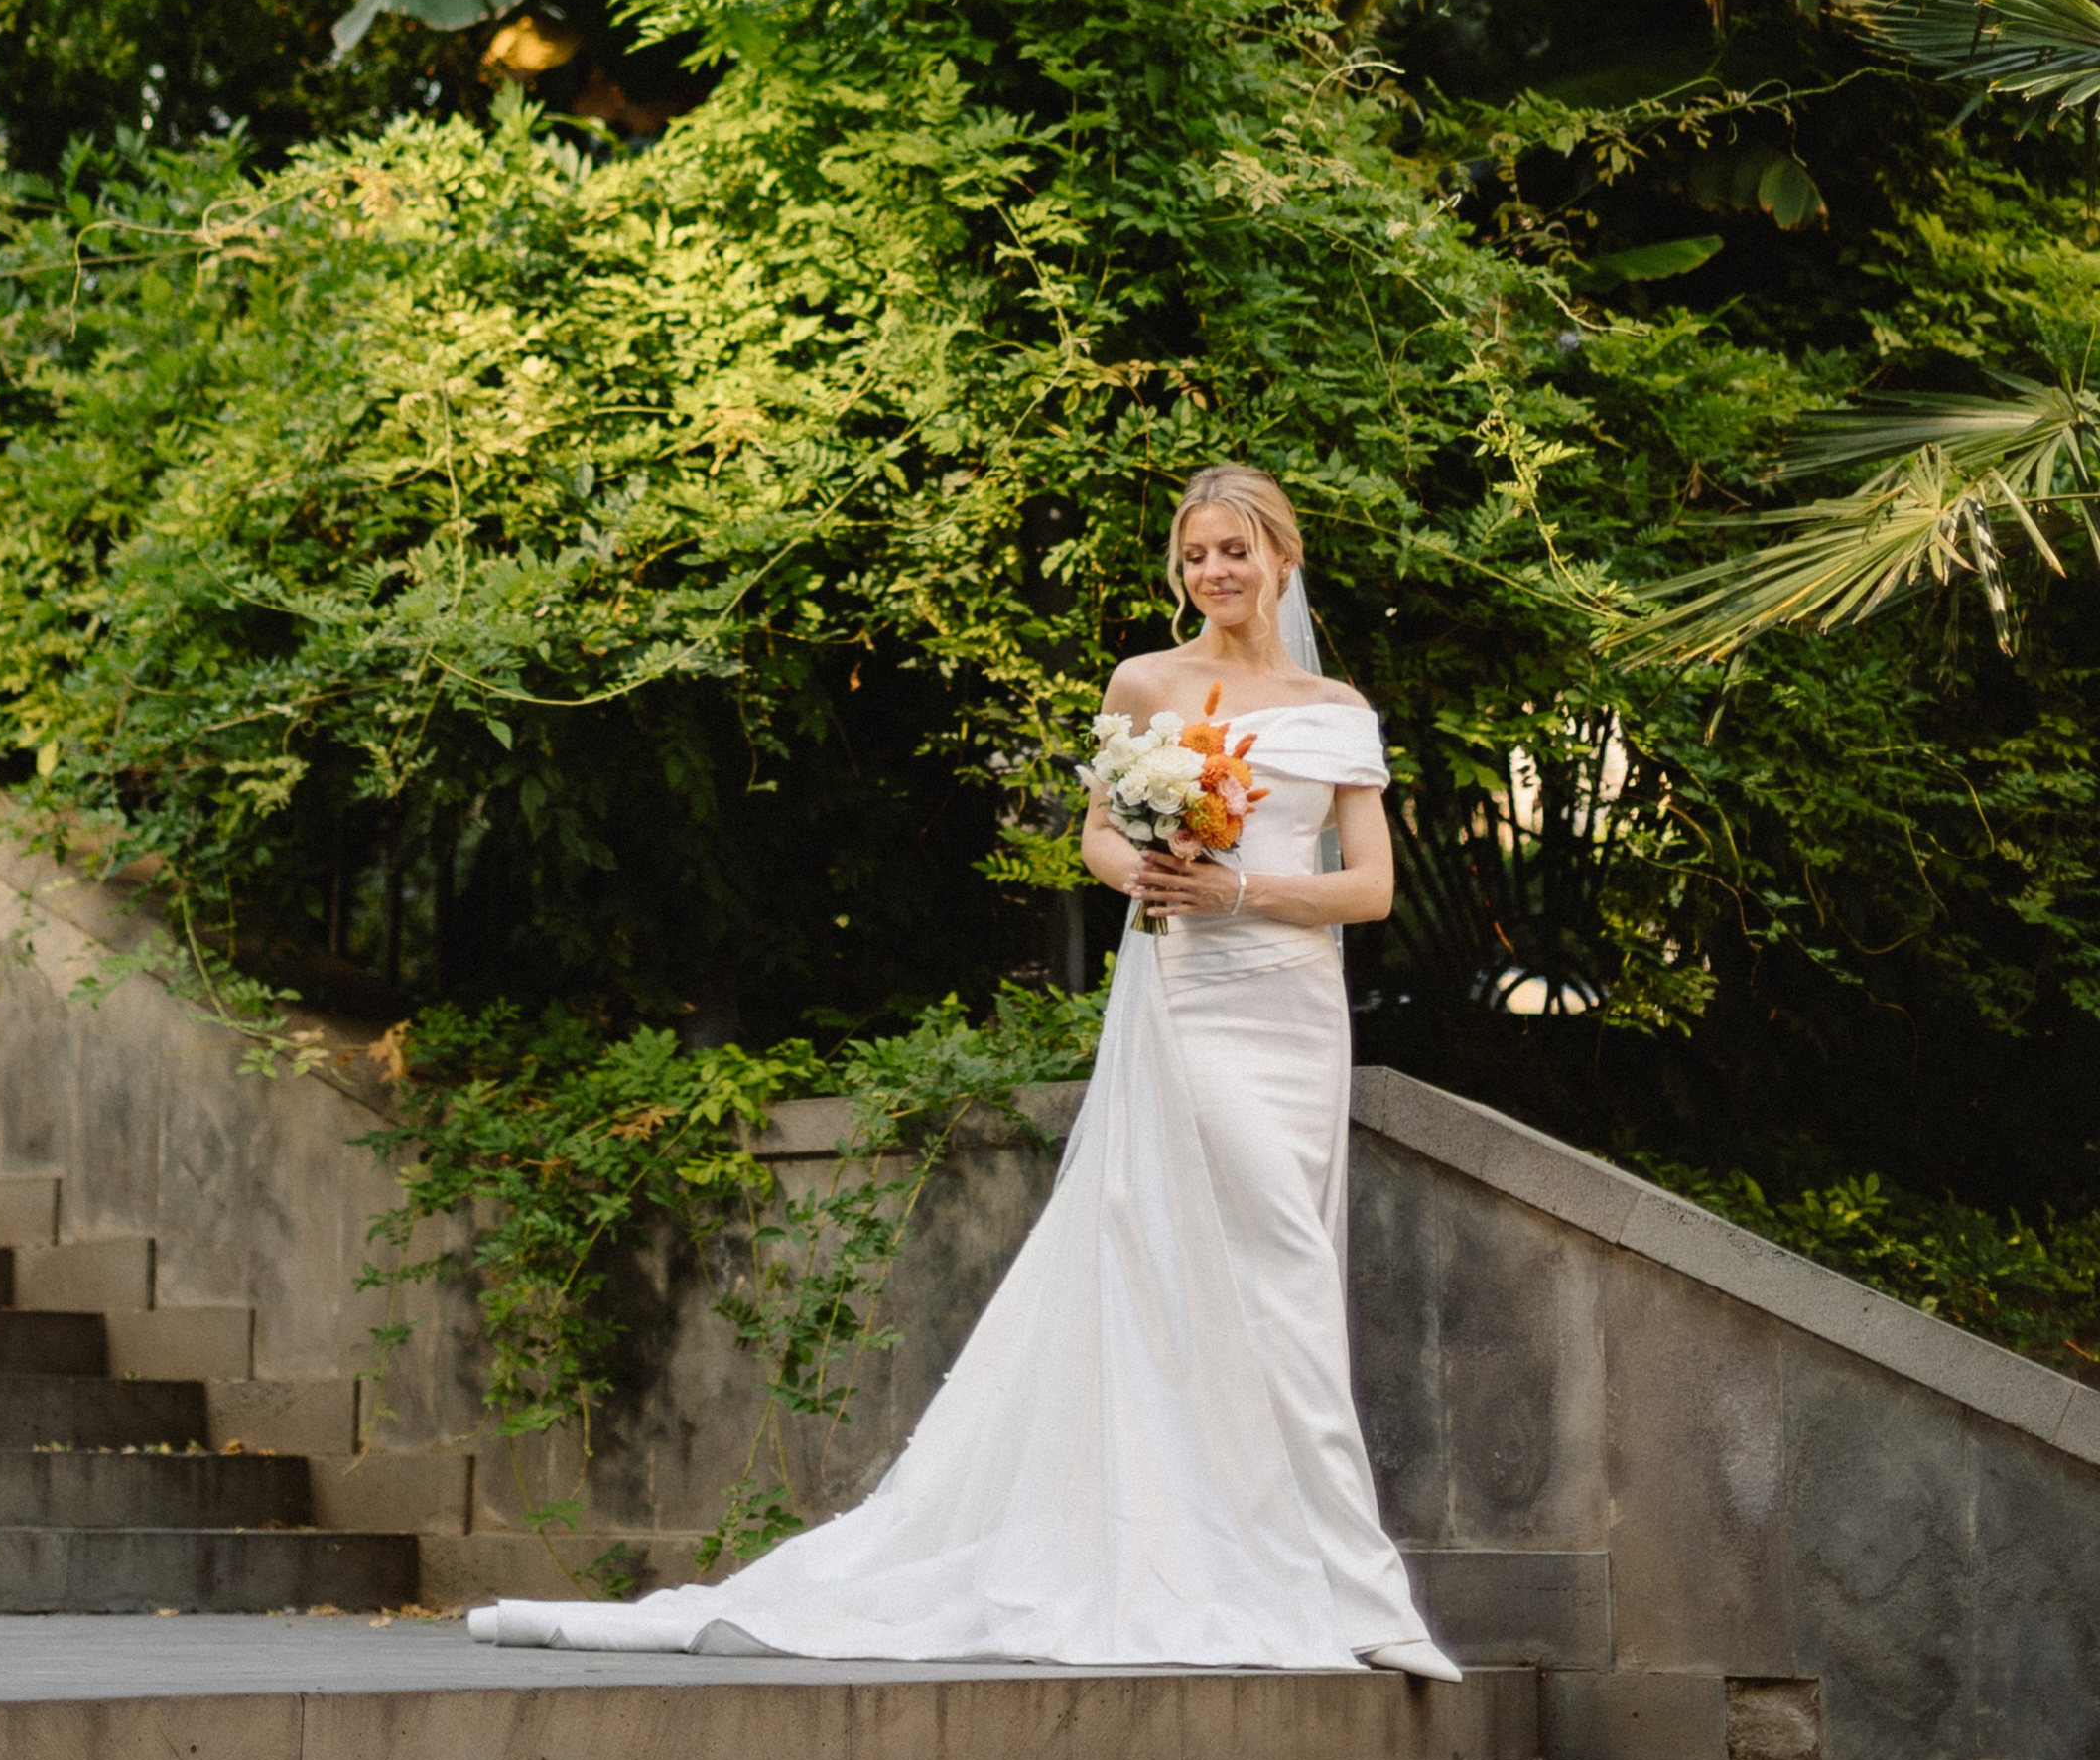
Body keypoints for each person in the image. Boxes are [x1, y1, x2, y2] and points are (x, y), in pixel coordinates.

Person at [467, 463, 1458, 1675]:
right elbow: (1101, 828)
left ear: (1281, 558)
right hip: (1190, 1003)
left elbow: (1371, 888)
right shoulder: (1146, 682)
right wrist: (1142, 867)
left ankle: (1262, 1559)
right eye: (1195, 554)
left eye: (1234, 552)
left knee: (1267, 1273)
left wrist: (1242, 884)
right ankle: (1364, 1598)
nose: (1214, 572)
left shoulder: (1336, 705)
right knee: (1287, 1276)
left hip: (1297, 1014)